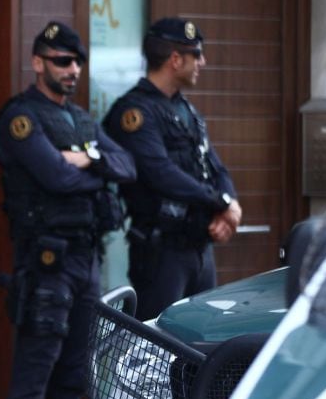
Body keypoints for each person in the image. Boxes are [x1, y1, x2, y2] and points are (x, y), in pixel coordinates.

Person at [0, 21, 136, 399]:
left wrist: (87, 157)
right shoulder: (21, 118)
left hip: (86, 258)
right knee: (36, 371)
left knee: (75, 371)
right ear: (38, 63)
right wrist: (88, 168)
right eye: (60, 61)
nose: (71, 70)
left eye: (75, 62)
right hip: (46, 262)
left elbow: (127, 166)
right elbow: (53, 176)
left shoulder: (81, 121)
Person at [104, 17, 243, 323]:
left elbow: (214, 165)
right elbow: (159, 172)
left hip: (199, 248)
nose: (202, 62)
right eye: (197, 55)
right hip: (161, 254)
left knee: (202, 345)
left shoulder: (186, 110)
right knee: (157, 349)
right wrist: (220, 203)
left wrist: (230, 204)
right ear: (175, 59)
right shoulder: (134, 112)